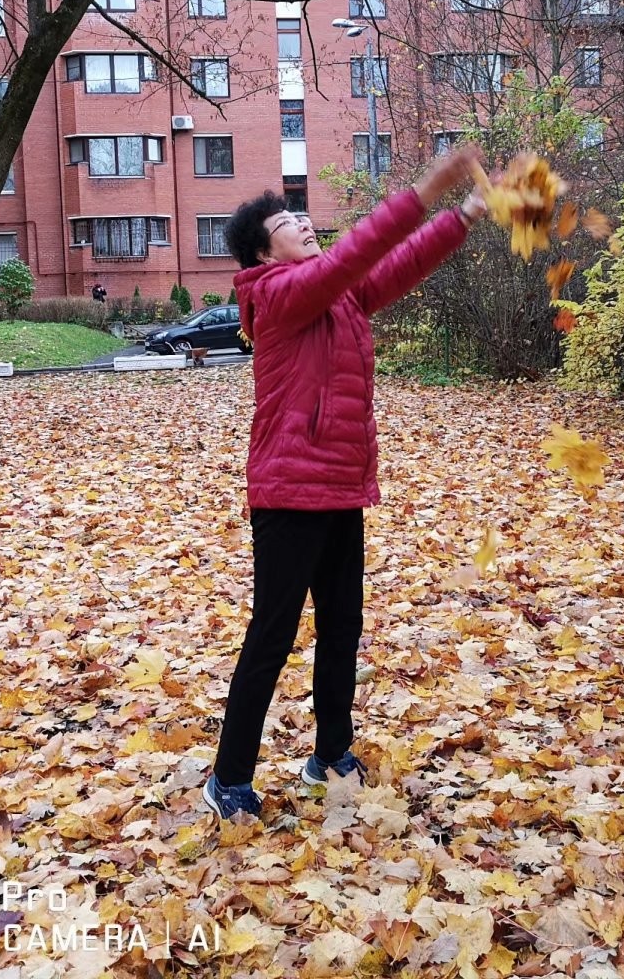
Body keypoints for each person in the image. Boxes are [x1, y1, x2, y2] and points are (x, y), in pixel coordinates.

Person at [202, 148, 488, 820]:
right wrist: (420, 194)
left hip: (339, 488)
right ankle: (230, 778)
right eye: (285, 220)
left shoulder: (340, 297)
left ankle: (331, 756)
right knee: (272, 634)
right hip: (288, 491)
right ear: (261, 253)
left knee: (341, 628)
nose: (303, 222)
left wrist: (465, 215)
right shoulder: (277, 295)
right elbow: (350, 259)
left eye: (301, 214)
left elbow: (395, 266)